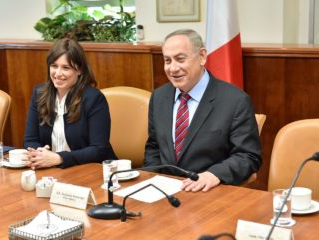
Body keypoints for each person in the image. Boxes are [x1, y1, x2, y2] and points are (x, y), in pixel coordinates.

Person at [144, 29, 262, 192]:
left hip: (210, 192)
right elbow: (154, 146)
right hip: (164, 192)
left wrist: (213, 175)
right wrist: (152, 180)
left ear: (202, 56)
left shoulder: (235, 101)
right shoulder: (159, 96)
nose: (173, 68)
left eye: (180, 59)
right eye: (167, 60)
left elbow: (248, 157)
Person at [23, 38, 117, 169]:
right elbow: (30, 140)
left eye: (66, 68)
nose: (58, 73)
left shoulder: (94, 98)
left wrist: (59, 158)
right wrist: (40, 154)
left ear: (79, 70)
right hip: (50, 170)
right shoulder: (39, 94)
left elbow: (99, 149)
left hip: (89, 170)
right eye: (54, 66)